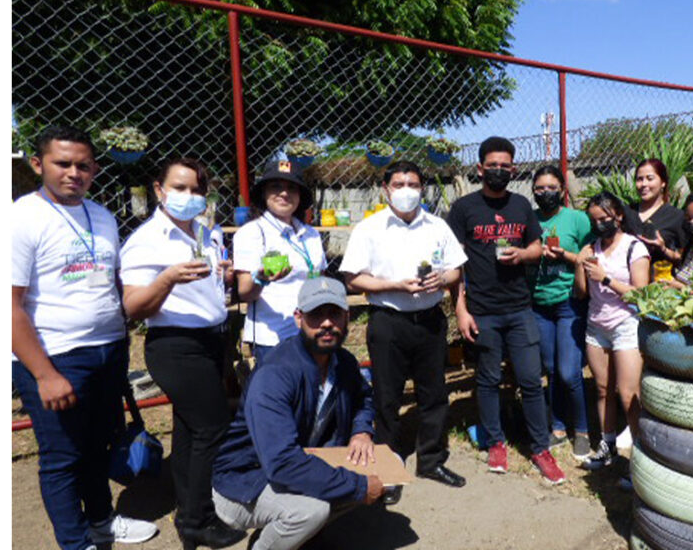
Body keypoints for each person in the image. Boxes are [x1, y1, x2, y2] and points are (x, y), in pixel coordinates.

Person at [12, 125, 157, 550]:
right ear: (38, 164)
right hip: (56, 356)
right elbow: (7, 304)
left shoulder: (103, 216)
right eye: (63, 163)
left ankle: (101, 520)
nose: (74, 172)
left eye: (83, 165)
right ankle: (76, 543)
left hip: (108, 351)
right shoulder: (21, 218)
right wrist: (44, 375)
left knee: (98, 445)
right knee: (62, 458)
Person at [120, 158, 245, 549]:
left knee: (191, 429)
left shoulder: (207, 233)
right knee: (211, 426)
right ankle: (197, 517)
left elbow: (209, 286)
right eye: (179, 188)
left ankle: (190, 510)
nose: (189, 197)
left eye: (196, 189)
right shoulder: (147, 240)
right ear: (159, 189)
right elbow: (134, 306)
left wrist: (222, 275)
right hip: (175, 344)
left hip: (211, 338)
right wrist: (168, 277)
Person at [212, 276, 383, 550]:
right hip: (245, 481)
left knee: (389, 476)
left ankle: (302, 537)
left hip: (296, 462)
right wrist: (359, 487)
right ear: (298, 318)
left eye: (334, 314)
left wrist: (362, 430)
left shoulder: (344, 362)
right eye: (316, 315)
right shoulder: (276, 373)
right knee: (310, 511)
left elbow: (363, 397)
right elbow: (282, 463)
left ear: (347, 317)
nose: (327, 323)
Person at [340, 160, 469, 504]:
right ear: (386, 188)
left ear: (422, 188)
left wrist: (442, 279)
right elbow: (353, 277)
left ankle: (431, 460)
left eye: (413, 183)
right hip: (388, 321)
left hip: (429, 320)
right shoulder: (370, 228)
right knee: (386, 397)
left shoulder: (437, 226)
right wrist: (393, 285)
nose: (406, 191)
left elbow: (456, 269)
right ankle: (387, 469)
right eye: (399, 184)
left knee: (434, 394)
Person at [447, 136, 566, 485]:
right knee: (487, 380)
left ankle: (540, 447)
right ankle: (496, 441)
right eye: (492, 165)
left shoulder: (520, 206)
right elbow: (454, 264)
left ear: (513, 169)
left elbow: (536, 245)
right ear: (480, 168)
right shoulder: (464, 208)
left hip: (519, 308)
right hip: (482, 310)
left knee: (531, 379)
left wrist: (523, 255)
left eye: (505, 166)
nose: (499, 170)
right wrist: (461, 311)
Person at [575, 192, 650, 474]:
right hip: (597, 325)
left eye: (605, 218)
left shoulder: (634, 247)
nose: (600, 224)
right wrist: (579, 266)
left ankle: (641, 460)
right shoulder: (591, 248)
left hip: (626, 324)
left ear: (618, 216)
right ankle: (607, 446)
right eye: (594, 220)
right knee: (603, 389)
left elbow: (641, 294)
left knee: (629, 393)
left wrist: (606, 277)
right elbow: (582, 293)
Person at [233, 158, 325, 363]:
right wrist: (262, 278)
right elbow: (245, 292)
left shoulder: (311, 234)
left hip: (312, 331)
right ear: (264, 193)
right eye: (276, 187)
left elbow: (321, 277)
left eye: (292, 188)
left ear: (300, 196)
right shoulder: (252, 233)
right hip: (273, 337)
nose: (284, 193)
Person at [529, 165, 593, 460]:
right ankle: (556, 427)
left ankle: (581, 430)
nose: (546, 193)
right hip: (538, 303)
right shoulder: (529, 219)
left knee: (569, 372)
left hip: (569, 301)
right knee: (551, 369)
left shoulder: (577, 219)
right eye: (540, 188)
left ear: (563, 189)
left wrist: (565, 256)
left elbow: (589, 255)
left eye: (552, 187)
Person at [621, 158, 687, 267]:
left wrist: (663, 249)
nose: (643, 184)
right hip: (625, 281)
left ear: (663, 182)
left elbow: (682, 259)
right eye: (639, 179)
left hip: (659, 280)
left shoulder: (676, 216)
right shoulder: (627, 212)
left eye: (650, 178)